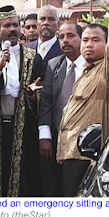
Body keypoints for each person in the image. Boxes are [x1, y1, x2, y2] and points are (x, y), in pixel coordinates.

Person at [56, 0, 109, 197]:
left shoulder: (107, 71)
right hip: (69, 155)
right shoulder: (85, 71)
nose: (88, 44)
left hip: (88, 158)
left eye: (96, 40)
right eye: (85, 40)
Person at [0, 5, 43, 197]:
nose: (12, 29)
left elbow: (41, 92)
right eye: (7, 26)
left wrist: (32, 94)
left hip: (22, 127)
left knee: (21, 176)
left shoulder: (33, 57)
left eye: (15, 25)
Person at [39, 22, 85, 196]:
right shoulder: (53, 65)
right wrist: (44, 136)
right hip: (56, 138)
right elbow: (46, 102)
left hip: (81, 142)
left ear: (81, 39)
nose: (65, 41)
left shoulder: (93, 66)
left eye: (71, 36)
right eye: (61, 37)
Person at [25, 5, 63, 77]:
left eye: (51, 19)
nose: (46, 23)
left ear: (58, 24)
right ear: (37, 24)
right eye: (42, 19)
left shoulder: (63, 50)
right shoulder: (26, 49)